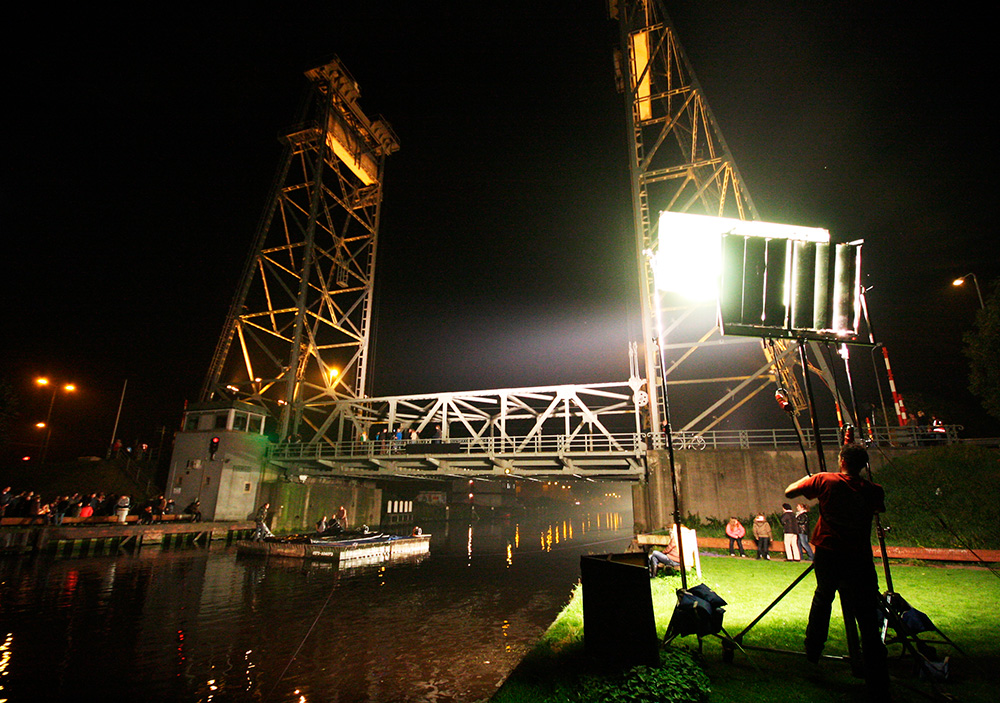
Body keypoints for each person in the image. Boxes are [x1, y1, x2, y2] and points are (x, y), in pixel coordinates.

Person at [785, 444, 890, 700]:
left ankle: (813, 648)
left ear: (842, 460)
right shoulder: (873, 489)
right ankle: (876, 669)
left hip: (830, 550)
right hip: (859, 554)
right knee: (866, 611)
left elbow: (790, 491)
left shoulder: (825, 480)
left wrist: (812, 477)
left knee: (824, 597)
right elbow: (878, 509)